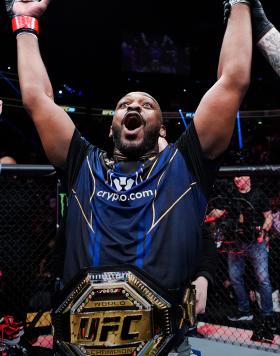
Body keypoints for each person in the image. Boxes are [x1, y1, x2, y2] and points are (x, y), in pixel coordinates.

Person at [6, 0, 252, 354]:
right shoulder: (82, 164)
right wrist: (24, 20)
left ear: (161, 126)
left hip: (164, 346)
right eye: (124, 104)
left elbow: (233, 81)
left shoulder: (184, 164)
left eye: (146, 104)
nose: (133, 106)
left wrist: (240, 3)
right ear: (112, 127)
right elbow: (37, 98)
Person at [209, 176, 274, 342]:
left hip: (255, 242)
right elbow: (220, 211)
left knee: (263, 279)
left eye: (240, 176)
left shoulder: (258, 195)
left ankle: (268, 315)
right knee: (235, 276)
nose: (237, 179)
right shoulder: (231, 194)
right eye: (235, 176)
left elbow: (268, 216)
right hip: (235, 242)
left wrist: (264, 231)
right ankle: (244, 310)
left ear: (249, 178)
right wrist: (206, 216)